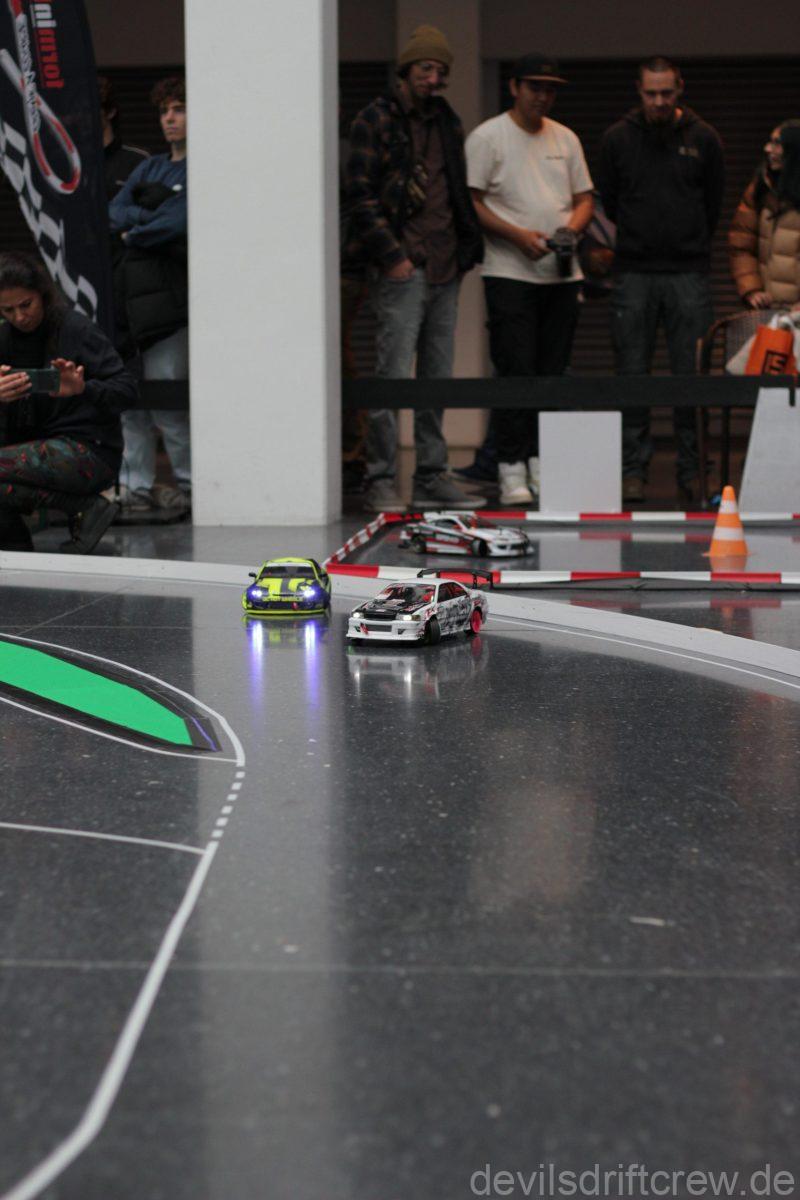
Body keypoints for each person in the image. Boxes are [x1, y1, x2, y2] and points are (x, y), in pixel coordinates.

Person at [343, 25, 485, 513]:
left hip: (446, 263)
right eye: (426, 68)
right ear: (406, 69)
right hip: (401, 264)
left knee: (436, 378)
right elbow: (360, 195)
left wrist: (464, 253)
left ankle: (431, 474)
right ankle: (381, 476)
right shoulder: (376, 117)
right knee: (392, 376)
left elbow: (458, 189)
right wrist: (393, 256)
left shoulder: (447, 120)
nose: (433, 78)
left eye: (440, 70)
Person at [466, 53, 594, 505]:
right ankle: (510, 465)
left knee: (551, 372)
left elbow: (584, 198)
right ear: (514, 87)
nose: (543, 96)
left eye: (551, 89)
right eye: (535, 87)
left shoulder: (566, 137)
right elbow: (473, 202)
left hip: (561, 274)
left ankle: (543, 461)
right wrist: (518, 236)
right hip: (510, 271)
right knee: (515, 370)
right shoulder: (489, 137)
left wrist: (570, 231)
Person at [597, 56, 724, 504]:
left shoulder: (704, 138)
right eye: (651, 93)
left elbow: (713, 205)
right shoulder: (617, 139)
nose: (658, 101)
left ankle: (694, 471)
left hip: (688, 272)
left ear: (680, 88)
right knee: (631, 375)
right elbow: (610, 203)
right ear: (639, 90)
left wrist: (686, 241)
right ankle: (633, 471)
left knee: (692, 376)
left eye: (666, 93)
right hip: (633, 272)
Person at [0, 252, 137, 553]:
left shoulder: (75, 329)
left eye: (26, 305)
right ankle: (17, 551)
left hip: (90, 451)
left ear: (42, 295)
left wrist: (83, 388)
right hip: (32, 449)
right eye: (8, 310)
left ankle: (83, 508)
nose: (19, 317)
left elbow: (127, 390)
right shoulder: (4, 338)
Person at [109, 76, 189, 517]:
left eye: (179, 109)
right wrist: (148, 217)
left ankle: (192, 485)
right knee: (131, 399)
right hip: (131, 301)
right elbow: (113, 211)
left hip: (172, 304)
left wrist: (135, 229)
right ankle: (135, 486)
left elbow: (180, 221)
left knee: (169, 401)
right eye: (164, 111)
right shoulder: (150, 167)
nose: (170, 119)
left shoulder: (202, 167)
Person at [729, 120, 800, 313]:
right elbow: (741, 244)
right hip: (770, 312)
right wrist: (752, 289)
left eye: (777, 143)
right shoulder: (762, 188)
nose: (767, 149)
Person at [98, 75, 149, 202]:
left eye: (91, 109)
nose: (83, 116)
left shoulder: (139, 161)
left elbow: (150, 210)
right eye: (80, 110)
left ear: (110, 112)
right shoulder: (73, 161)